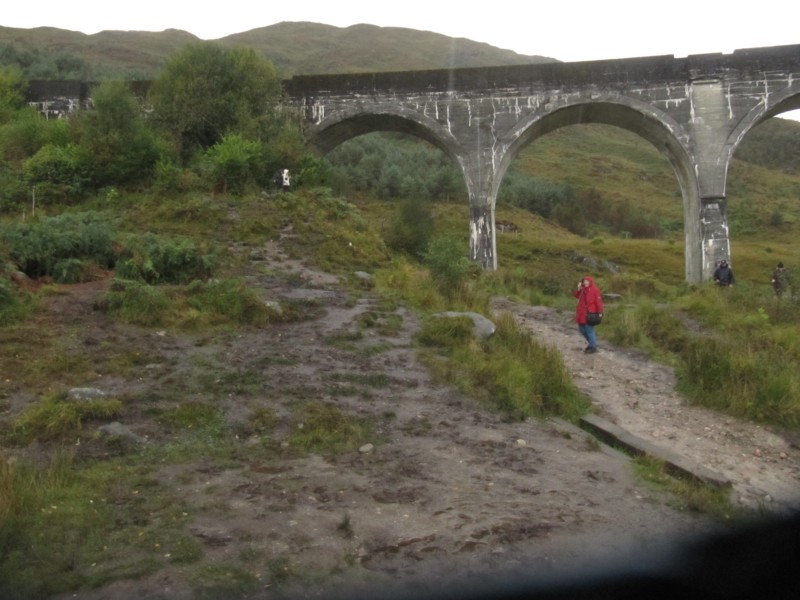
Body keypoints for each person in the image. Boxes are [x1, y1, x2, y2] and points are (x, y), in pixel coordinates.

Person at [573, 276, 604, 354]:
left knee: (589, 330)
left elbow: (598, 302)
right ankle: (592, 344)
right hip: (581, 313)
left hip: (590, 313)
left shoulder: (595, 290)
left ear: (590, 282)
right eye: (584, 281)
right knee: (581, 329)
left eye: (587, 281)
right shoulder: (582, 290)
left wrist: (600, 312)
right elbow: (576, 295)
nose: (585, 282)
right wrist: (578, 288)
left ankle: (593, 347)